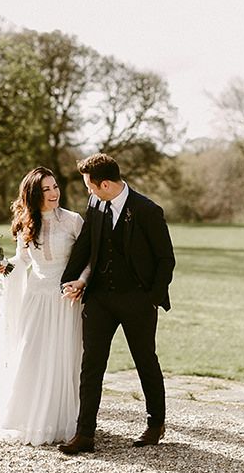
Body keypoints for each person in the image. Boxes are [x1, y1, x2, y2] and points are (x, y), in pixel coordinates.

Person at [58, 153, 175, 455]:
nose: (89, 191)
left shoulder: (148, 210)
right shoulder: (97, 205)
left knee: (145, 361)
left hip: (137, 299)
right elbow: (86, 245)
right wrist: (69, 279)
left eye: (90, 186)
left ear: (106, 184)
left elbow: (165, 260)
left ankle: (155, 423)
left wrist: (150, 299)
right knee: (91, 365)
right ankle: (85, 434)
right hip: (99, 299)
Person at [0, 167, 89, 446]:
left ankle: (62, 421)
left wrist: (81, 282)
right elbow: (23, 260)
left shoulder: (73, 220)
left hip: (66, 297)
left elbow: (90, 258)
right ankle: (28, 418)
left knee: (64, 355)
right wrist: (2, 266)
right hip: (36, 296)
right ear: (33, 194)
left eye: (55, 187)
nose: (54, 193)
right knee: (31, 353)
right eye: (46, 189)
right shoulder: (26, 223)